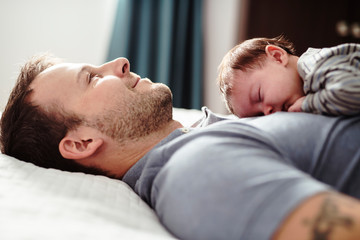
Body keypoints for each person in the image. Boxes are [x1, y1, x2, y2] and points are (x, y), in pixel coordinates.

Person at [2, 54, 360, 240]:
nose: (120, 63)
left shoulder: (201, 140)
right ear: (82, 142)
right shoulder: (198, 172)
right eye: (93, 78)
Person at [217, 35, 360, 117]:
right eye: (258, 115)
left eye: (259, 96)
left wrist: (307, 104)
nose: (267, 112)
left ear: (277, 56)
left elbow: (351, 91)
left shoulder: (315, 65)